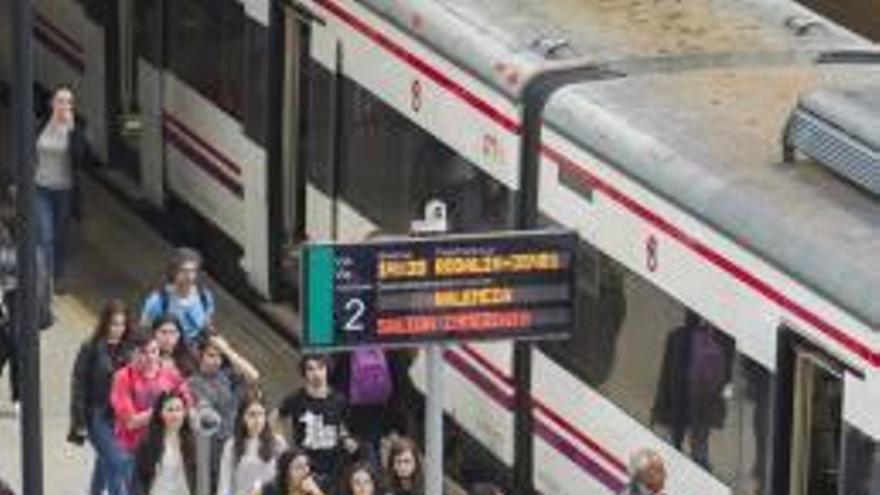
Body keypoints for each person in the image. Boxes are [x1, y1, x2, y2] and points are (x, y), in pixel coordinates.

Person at [68, 299, 135, 495]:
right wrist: (79, 421)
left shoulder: (129, 348)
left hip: (121, 415)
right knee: (116, 460)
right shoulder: (90, 347)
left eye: (122, 324)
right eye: (114, 323)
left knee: (105, 459)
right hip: (97, 414)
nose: (118, 329)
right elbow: (78, 384)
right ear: (105, 322)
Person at [651, 311, 734, 469]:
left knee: (681, 434)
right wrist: (725, 397)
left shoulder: (678, 336)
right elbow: (727, 377)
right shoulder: (725, 341)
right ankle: (699, 462)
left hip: (684, 396)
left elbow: (666, 375)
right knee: (699, 437)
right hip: (705, 396)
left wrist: (658, 407)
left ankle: (683, 461)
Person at [34, 85, 96, 285]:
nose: (64, 105)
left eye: (68, 102)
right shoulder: (40, 125)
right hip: (41, 188)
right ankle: (46, 277)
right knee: (45, 236)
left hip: (65, 191)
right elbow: (28, 152)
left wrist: (72, 132)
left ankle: (58, 275)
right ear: (52, 103)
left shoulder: (76, 130)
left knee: (61, 237)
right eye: (60, 101)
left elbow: (81, 159)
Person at [276, 355, 357, 490]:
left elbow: (343, 426)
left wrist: (347, 438)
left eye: (320, 367)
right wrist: (282, 443)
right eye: (311, 369)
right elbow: (274, 418)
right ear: (305, 373)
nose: (316, 373)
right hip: (306, 469)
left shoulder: (339, 399)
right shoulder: (296, 399)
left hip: (334, 466)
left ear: (327, 370)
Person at [110, 328, 192, 455]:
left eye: (154, 351)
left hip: (160, 448)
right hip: (130, 450)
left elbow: (187, 404)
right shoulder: (122, 377)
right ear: (132, 353)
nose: (150, 357)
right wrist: (162, 409)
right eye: (143, 352)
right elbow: (130, 422)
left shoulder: (171, 373)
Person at [216, 393, 287, 495]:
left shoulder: (278, 442)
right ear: (243, 417)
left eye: (260, 414)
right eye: (251, 414)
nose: (257, 421)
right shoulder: (231, 445)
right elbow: (224, 484)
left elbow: (286, 479)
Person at [141, 247, 216, 344]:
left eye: (192, 271)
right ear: (173, 271)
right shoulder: (159, 300)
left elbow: (207, 326)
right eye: (184, 271)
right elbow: (145, 330)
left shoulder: (204, 297)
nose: (188, 276)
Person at [132, 390, 197, 495]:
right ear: (160, 413)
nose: (175, 414)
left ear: (185, 413)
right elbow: (138, 479)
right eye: (170, 410)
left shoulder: (193, 441)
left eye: (179, 409)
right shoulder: (147, 442)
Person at [257, 448, 325, 495]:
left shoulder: (317, 486)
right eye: (299, 467)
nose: (306, 470)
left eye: (307, 465)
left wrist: (315, 491)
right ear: (286, 474)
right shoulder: (272, 489)